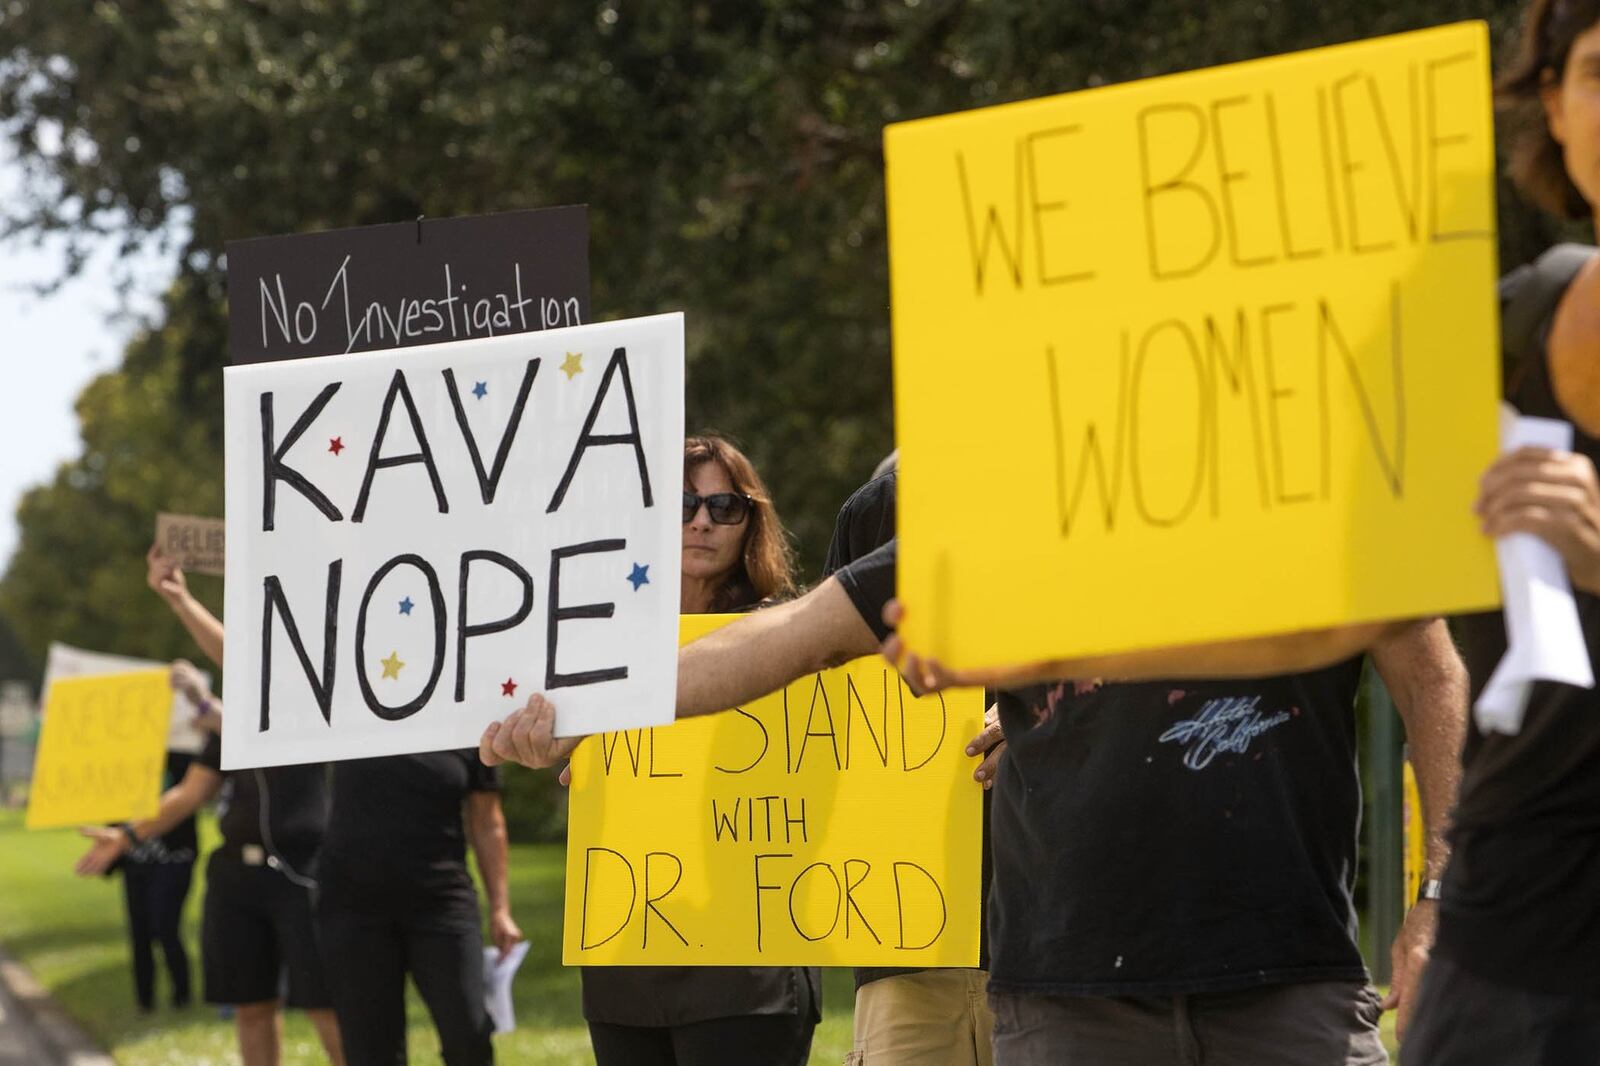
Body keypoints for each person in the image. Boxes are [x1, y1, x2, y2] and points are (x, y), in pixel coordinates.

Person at [1405, 2, 1600, 1060]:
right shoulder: (1494, 336)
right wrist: (1060, 639)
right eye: (1599, 73)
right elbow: (1330, 607)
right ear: (1554, 107)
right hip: (1501, 959)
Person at [581, 434, 820, 1066]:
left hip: (746, 958)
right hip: (626, 943)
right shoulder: (599, 634)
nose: (700, 522)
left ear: (751, 522)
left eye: (723, 506)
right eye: (683, 503)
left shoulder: (793, 633)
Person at [77, 656, 345, 1066]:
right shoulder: (227, 731)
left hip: (300, 876)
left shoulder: (308, 711)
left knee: (323, 1004)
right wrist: (127, 835)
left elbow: (230, 685)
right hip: (236, 879)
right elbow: (188, 794)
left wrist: (199, 695)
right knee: (251, 1005)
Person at [316, 743, 523, 1065]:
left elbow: (488, 822)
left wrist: (500, 908)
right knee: (371, 1049)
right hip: (353, 905)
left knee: (469, 1035)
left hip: (442, 901)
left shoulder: (465, 724)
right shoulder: (350, 712)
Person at [112, 740, 198, 1013]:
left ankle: (181, 995)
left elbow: (191, 796)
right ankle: (144, 1000)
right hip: (136, 861)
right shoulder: (123, 767)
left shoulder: (181, 760)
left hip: (173, 860)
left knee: (165, 926)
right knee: (139, 933)